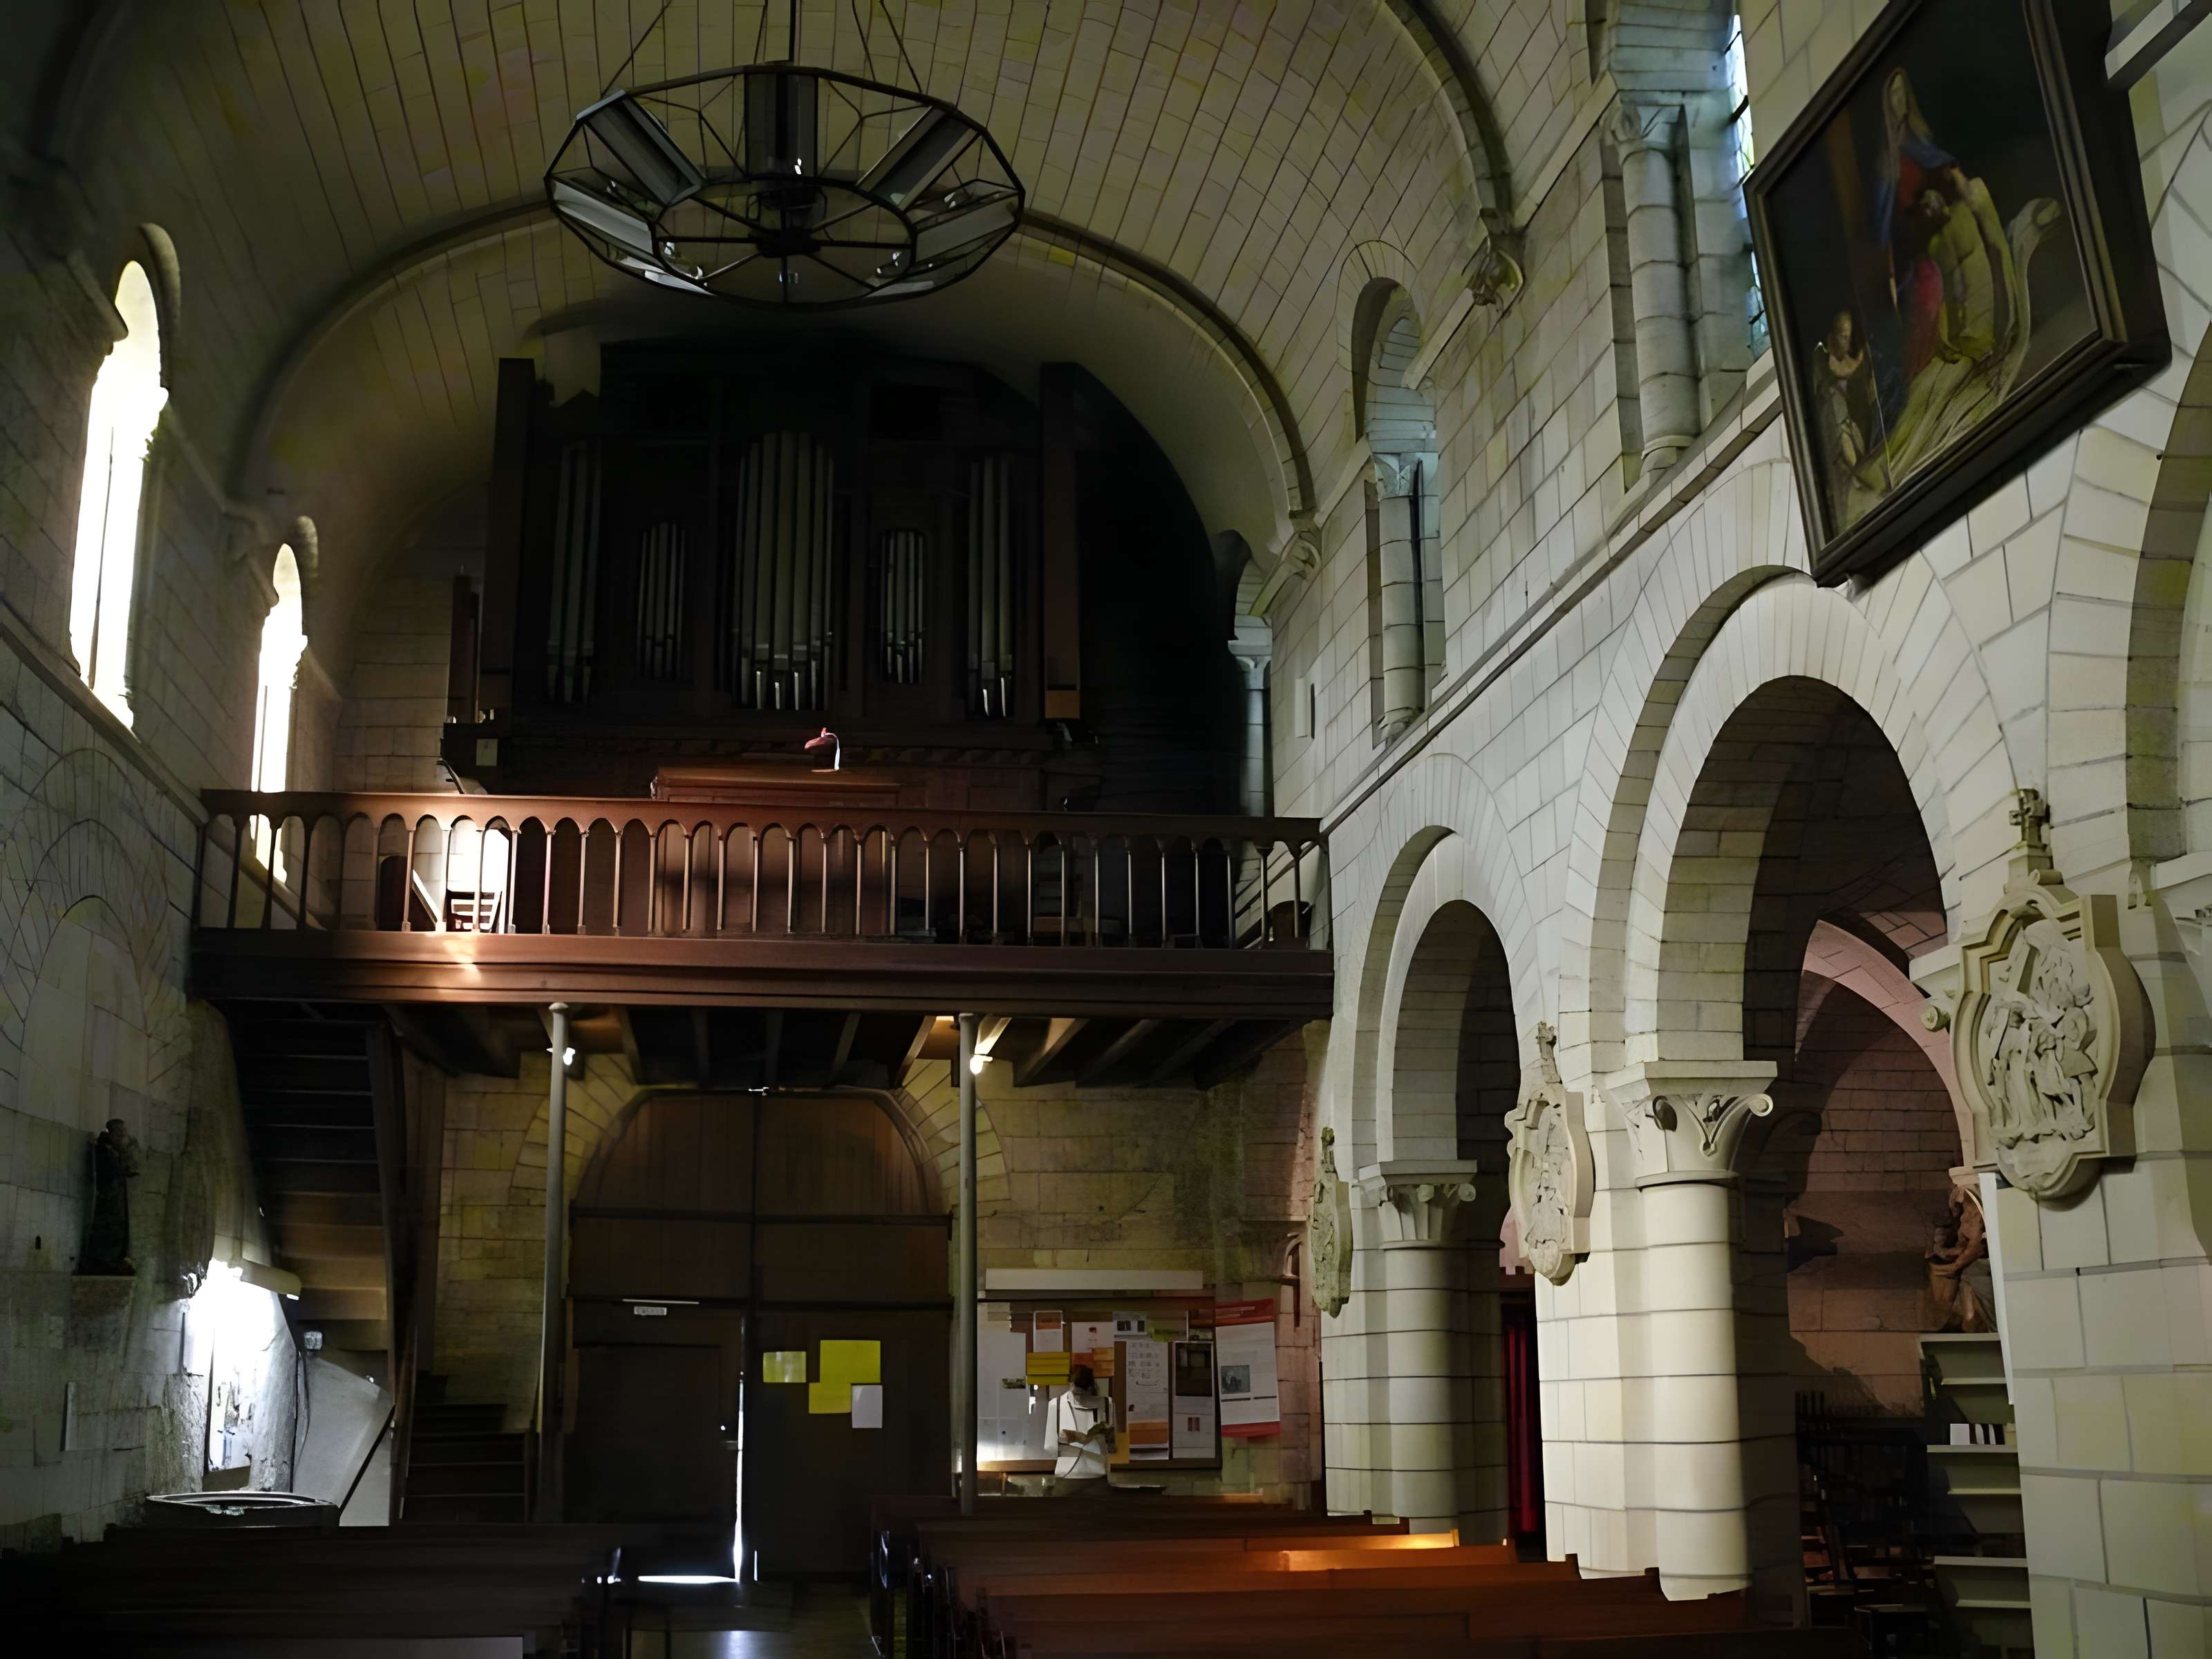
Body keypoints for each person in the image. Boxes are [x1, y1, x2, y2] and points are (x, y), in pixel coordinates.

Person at [1052, 1365, 1112, 1494]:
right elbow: (1049, 1446)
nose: (1078, 1397)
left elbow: (1114, 1442)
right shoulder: (1056, 1404)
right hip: (1073, 1473)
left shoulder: (1106, 1404)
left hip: (1093, 1472)